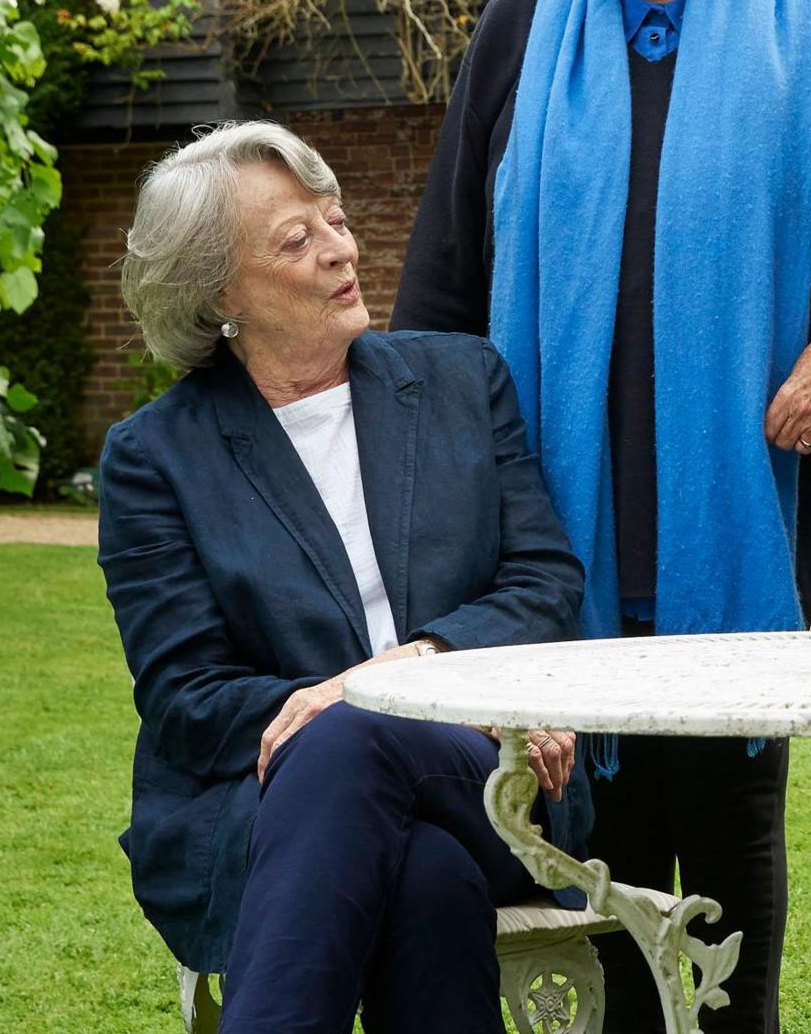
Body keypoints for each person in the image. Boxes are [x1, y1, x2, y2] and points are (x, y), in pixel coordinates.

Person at [390, 0, 811, 1034]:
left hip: (740, 541)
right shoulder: (516, 31)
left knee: (728, 922)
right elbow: (443, 284)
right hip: (561, 550)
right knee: (591, 929)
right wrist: (428, 513)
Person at [96, 122, 589, 1034]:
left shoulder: (460, 380)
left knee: (357, 734)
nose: (341, 249)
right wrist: (350, 705)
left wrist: (394, 680)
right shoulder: (154, 457)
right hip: (260, 803)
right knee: (424, 877)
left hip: (484, 771)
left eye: (336, 219)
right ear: (216, 293)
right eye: (297, 237)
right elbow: (186, 698)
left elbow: (544, 581)